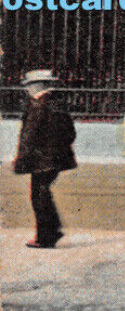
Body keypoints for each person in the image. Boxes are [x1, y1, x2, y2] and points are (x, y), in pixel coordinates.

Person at [12, 69, 76, 249]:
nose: (27, 89)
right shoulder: (57, 103)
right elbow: (70, 133)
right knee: (43, 194)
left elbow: (28, 137)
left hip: (41, 161)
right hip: (55, 160)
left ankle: (45, 236)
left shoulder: (38, 105)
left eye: (29, 85)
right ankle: (52, 230)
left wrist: (21, 160)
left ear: (37, 86)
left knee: (39, 197)